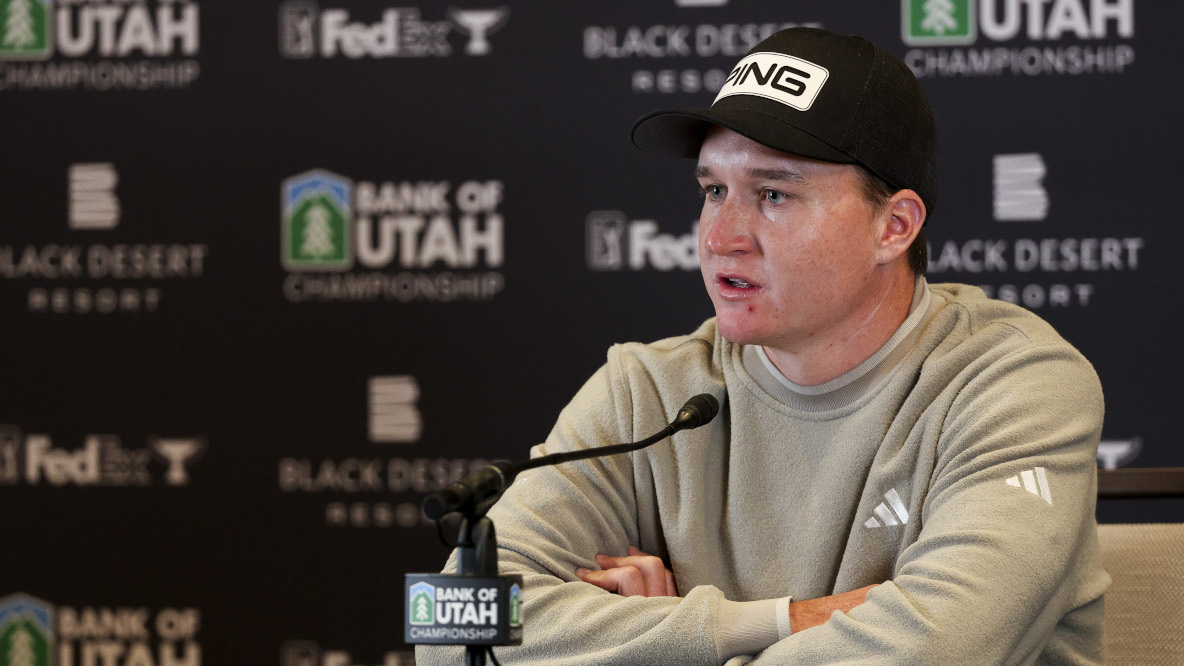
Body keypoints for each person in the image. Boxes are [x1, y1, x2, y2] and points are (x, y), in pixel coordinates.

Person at [417, 27, 1108, 665]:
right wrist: (773, 622)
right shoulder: (647, 394)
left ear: (894, 226)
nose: (721, 237)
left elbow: (934, 650)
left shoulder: (1013, 384)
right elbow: (446, 630)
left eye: (773, 194)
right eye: (714, 190)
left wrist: (652, 645)